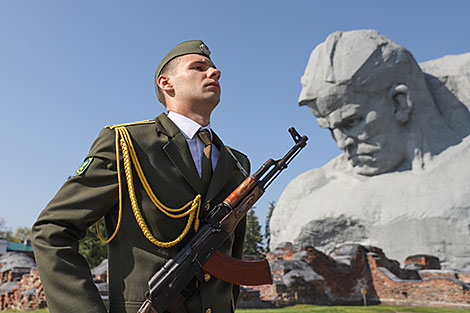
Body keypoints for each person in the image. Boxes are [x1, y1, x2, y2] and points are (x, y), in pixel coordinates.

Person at [32, 40, 250, 313]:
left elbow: (233, 255)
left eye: (215, 69)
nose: (215, 73)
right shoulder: (127, 143)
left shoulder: (237, 163)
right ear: (166, 83)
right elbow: (52, 231)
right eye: (199, 67)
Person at [270, 30, 470, 270]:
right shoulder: (305, 192)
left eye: (351, 122)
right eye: (331, 129)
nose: (343, 143)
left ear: (400, 103)